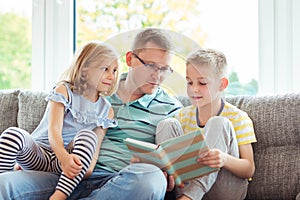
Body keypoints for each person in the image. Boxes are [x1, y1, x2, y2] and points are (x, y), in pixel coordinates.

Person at [0, 28, 183, 200]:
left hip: (117, 183)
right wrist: (29, 156)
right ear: (130, 59)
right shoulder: (92, 90)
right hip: (61, 175)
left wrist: (171, 173)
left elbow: (181, 160)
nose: (157, 76)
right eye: (150, 66)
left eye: (164, 69)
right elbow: (50, 130)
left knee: (152, 179)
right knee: (4, 184)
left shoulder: (171, 108)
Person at [0, 41, 119, 200]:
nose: (111, 76)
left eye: (115, 70)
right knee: (12, 134)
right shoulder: (64, 90)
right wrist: (63, 156)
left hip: (66, 166)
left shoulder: (106, 110)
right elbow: (54, 131)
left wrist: (82, 169)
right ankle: (4, 177)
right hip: (40, 154)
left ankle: (59, 196)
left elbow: (94, 150)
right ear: (85, 69)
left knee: (88, 136)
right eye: (105, 69)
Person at [156, 48, 257, 200]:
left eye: (202, 83)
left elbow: (249, 169)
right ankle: (170, 188)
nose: (194, 89)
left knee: (218, 123)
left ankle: (190, 197)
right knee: (166, 124)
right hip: (186, 186)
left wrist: (224, 159)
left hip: (224, 190)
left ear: (222, 84)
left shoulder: (238, 118)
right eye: (189, 82)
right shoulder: (183, 116)